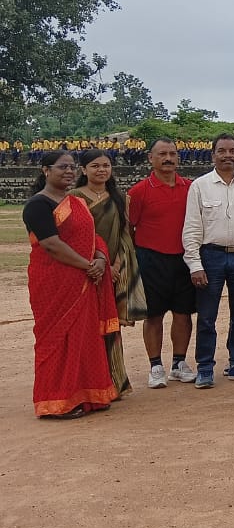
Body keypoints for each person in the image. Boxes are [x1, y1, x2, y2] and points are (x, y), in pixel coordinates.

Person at [24, 151, 119, 418]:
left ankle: (89, 394)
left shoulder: (75, 202)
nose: (68, 171)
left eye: (71, 167)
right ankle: (56, 401)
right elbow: (51, 244)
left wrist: (100, 258)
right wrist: (88, 265)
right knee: (57, 340)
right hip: (54, 282)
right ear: (46, 170)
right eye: (62, 167)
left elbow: (93, 236)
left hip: (84, 279)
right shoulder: (37, 205)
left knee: (84, 337)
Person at [182, 133, 234, 387]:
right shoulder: (200, 186)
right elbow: (192, 229)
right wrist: (195, 265)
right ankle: (205, 368)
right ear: (213, 155)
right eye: (222, 151)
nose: (227, 155)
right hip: (210, 257)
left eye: (232, 151)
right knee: (207, 316)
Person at [72, 149, 143, 393]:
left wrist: (115, 267)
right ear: (83, 170)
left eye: (106, 165)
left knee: (111, 327)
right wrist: (95, 265)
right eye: (95, 166)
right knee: (87, 328)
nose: (101, 170)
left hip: (113, 271)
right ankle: (91, 384)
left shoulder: (119, 198)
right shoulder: (74, 198)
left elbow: (125, 236)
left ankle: (115, 382)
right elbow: (72, 237)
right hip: (85, 271)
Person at [128, 138, 197, 388]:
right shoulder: (139, 191)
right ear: (151, 158)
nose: (168, 159)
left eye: (172, 154)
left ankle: (179, 363)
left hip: (184, 258)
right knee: (154, 315)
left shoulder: (191, 188)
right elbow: (129, 228)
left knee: (183, 313)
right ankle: (155, 366)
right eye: (162, 154)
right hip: (152, 259)